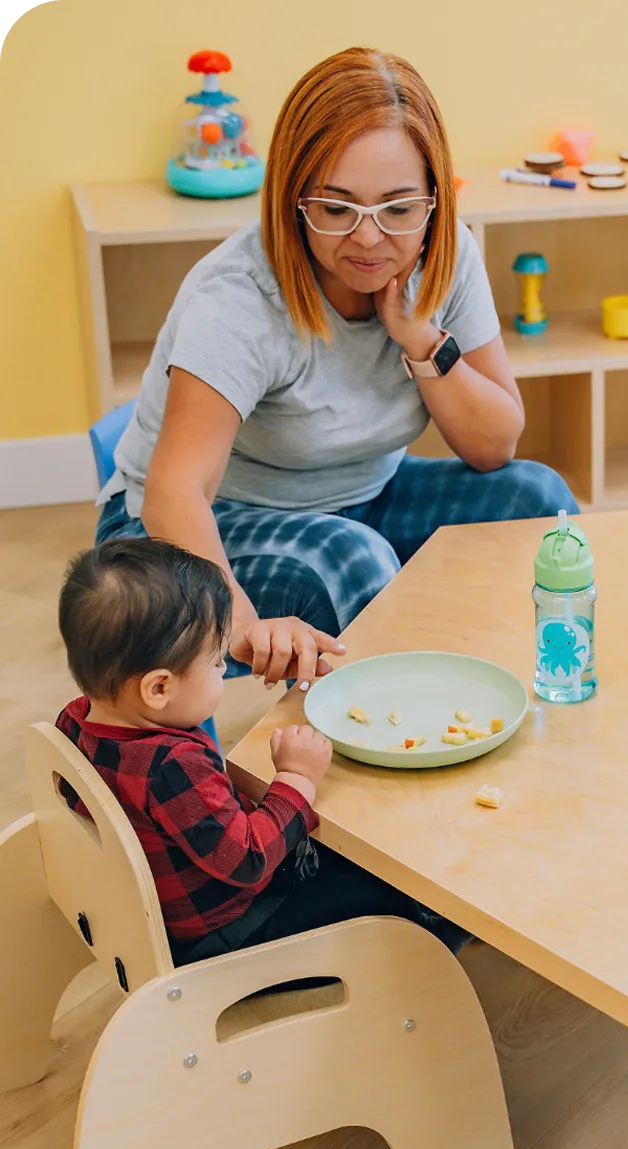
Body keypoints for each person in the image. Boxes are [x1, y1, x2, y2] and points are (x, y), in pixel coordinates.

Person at [95, 48, 576, 691]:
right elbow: (173, 495)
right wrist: (238, 621)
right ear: (295, 197)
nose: (370, 238)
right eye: (337, 207)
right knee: (352, 563)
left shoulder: (447, 256)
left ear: (435, 198)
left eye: (398, 209)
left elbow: (496, 446)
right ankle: (390, 748)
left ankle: (512, 687)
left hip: (358, 497)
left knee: (537, 504)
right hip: (180, 530)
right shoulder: (239, 297)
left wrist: (422, 339)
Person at [55, 538, 469, 965]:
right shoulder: (171, 767)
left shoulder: (76, 719)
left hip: (180, 909)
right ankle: (433, 942)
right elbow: (248, 859)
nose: (223, 668)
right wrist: (295, 778)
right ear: (159, 687)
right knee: (375, 895)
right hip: (234, 931)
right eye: (217, 661)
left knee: (347, 856)